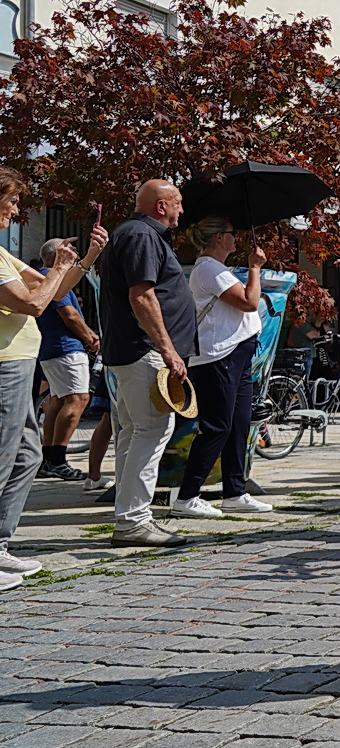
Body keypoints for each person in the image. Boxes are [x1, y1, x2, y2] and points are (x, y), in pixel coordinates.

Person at [0, 172, 105, 587]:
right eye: (9, 201)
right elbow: (33, 303)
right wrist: (60, 266)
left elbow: (56, 286)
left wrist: (88, 258)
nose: (14, 209)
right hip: (5, 365)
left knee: (26, 456)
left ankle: (1, 546)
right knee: (5, 454)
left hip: (20, 363)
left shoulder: (5, 255)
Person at [100, 179, 195, 548]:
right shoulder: (141, 235)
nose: (181, 211)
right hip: (143, 351)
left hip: (134, 350)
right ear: (161, 206)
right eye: (178, 203)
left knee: (134, 431)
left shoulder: (135, 233)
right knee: (152, 430)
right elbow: (142, 296)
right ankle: (133, 520)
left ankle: (129, 516)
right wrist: (168, 349)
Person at [171, 217, 272, 518]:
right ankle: (187, 496)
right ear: (217, 238)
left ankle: (235, 491)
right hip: (218, 356)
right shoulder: (208, 268)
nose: (236, 239)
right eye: (231, 234)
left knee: (239, 424)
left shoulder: (219, 269)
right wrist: (255, 268)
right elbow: (248, 302)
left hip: (236, 353)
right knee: (218, 426)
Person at [34, 239, 100, 484]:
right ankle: (58, 460)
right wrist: (90, 337)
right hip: (66, 347)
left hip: (52, 348)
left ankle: (49, 459)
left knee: (58, 400)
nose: (74, 253)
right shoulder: (54, 276)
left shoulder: (43, 276)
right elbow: (69, 314)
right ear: (56, 254)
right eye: (70, 250)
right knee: (77, 399)